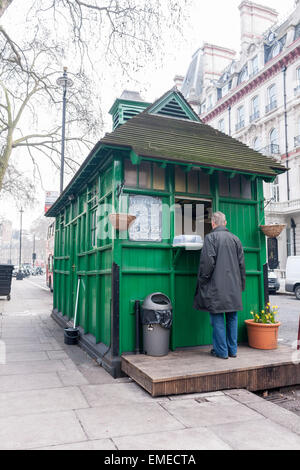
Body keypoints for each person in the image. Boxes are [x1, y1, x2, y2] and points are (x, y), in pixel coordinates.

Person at [193, 211, 246, 359]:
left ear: (213, 223)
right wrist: (241, 285)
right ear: (225, 223)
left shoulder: (211, 238)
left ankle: (222, 352)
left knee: (217, 319)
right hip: (234, 287)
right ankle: (232, 351)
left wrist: (202, 281)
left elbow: (207, 263)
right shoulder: (236, 239)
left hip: (216, 287)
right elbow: (242, 265)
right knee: (232, 318)